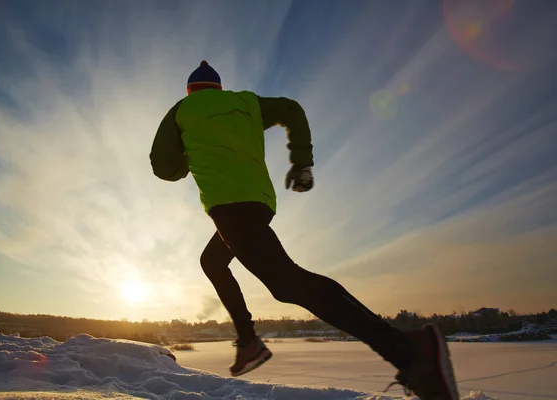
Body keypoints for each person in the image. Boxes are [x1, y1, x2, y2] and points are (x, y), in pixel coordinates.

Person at [150, 61, 459, 399]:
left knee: (287, 284)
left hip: (228, 207)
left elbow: (162, 166)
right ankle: (249, 341)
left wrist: (186, 160)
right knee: (213, 261)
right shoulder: (246, 102)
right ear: (219, 89)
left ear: (190, 91)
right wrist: (301, 162)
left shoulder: (182, 110)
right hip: (260, 203)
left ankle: (407, 350)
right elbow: (291, 110)